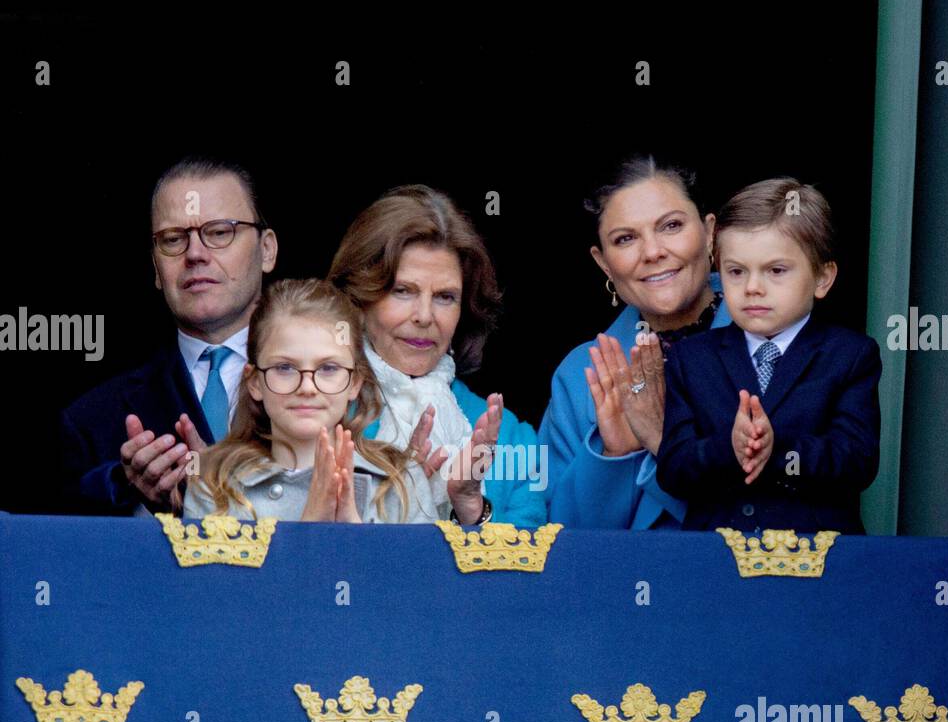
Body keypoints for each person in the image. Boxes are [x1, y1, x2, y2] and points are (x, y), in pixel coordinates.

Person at [653, 178, 881, 534]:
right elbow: (673, 469)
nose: (753, 287)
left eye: (776, 270)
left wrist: (778, 450)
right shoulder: (691, 358)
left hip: (817, 563)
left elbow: (856, 462)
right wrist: (729, 447)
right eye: (736, 271)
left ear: (823, 278)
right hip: (714, 560)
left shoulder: (850, 355)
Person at [58, 156, 277, 515]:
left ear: (267, 250)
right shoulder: (92, 420)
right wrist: (129, 491)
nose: (195, 254)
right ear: (156, 269)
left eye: (219, 232)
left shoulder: (335, 385)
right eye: (173, 239)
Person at [327, 184, 548, 527]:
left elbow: (529, 575)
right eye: (403, 291)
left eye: (445, 297)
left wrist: (471, 506)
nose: (425, 316)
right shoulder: (317, 410)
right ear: (358, 298)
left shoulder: (511, 437)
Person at [538, 157, 733, 529]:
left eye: (671, 226)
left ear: (710, 233)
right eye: (625, 239)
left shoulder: (769, 341)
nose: (652, 252)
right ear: (604, 264)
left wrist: (662, 442)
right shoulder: (582, 375)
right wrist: (614, 454)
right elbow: (554, 546)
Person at [183, 279, 457, 523]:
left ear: (354, 383)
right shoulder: (213, 481)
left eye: (328, 369)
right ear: (255, 382)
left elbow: (423, 580)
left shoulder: (401, 479)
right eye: (284, 368)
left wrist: (350, 538)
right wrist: (310, 529)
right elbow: (215, 582)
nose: (307, 387)